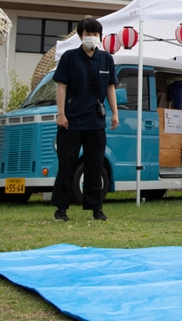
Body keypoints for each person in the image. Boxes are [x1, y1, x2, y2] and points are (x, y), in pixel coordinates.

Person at [51, 16, 119, 223]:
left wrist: (115, 113)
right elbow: (61, 86)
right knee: (67, 165)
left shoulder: (107, 59)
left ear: (100, 36)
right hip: (70, 121)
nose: (92, 37)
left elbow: (110, 87)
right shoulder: (69, 57)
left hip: (96, 122)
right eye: (88, 34)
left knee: (95, 165)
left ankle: (96, 208)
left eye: (95, 34)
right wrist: (61, 114)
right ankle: (61, 209)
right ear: (81, 36)